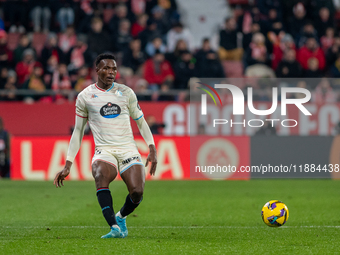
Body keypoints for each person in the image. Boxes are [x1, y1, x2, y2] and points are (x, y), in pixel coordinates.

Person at [53, 53, 157, 239]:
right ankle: (114, 227)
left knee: (137, 192)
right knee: (100, 174)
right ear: (97, 70)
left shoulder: (126, 93)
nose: (111, 72)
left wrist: (152, 148)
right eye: (107, 68)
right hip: (104, 150)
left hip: (128, 148)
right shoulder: (85, 97)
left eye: (114, 69)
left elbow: (141, 122)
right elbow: (78, 131)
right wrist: (68, 163)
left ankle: (121, 216)